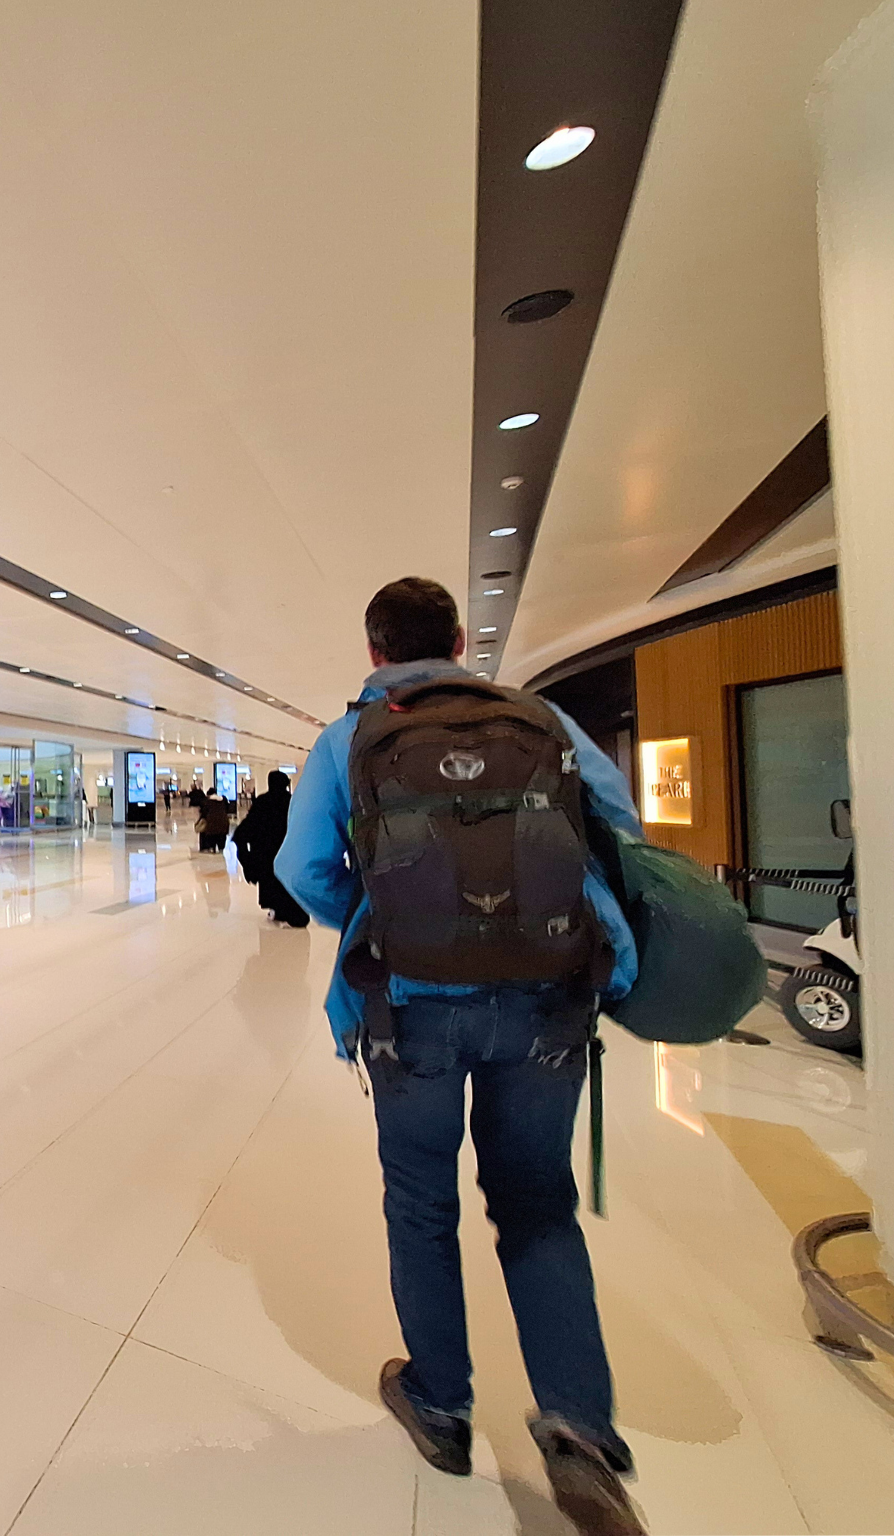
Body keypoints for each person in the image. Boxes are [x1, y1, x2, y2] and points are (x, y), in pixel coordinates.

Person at [275, 577, 646, 1536]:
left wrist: (380, 916)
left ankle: (441, 1404)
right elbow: (620, 832)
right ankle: (577, 1424)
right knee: (535, 1203)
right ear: (462, 642)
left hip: (410, 1010)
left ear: (373, 653)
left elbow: (299, 867)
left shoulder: (349, 736)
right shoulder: (542, 719)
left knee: (421, 1201)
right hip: (546, 1004)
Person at [233, 770, 308, 926]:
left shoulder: (263, 802)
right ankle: (292, 912)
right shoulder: (292, 802)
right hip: (288, 852)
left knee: (272, 883)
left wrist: (246, 855)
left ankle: (278, 910)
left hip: (266, 853)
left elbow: (248, 827)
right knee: (288, 885)